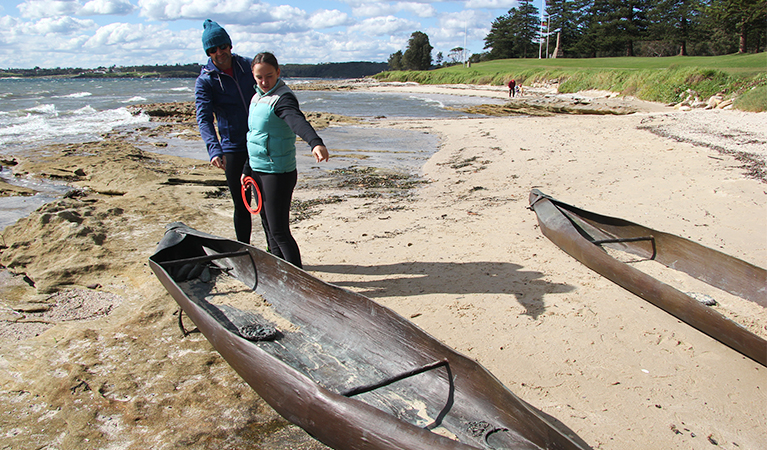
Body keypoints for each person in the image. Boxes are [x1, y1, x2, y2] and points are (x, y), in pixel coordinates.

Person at [243, 52, 329, 269]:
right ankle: (279, 270)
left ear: (278, 72)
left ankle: (299, 280)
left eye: (269, 76)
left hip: (277, 173)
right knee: (267, 226)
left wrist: (315, 142)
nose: (264, 82)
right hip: (257, 171)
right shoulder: (256, 98)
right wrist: (246, 169)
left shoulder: (283, 98)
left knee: (279, 231)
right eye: (259, 78)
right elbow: (253, 136)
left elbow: (296, 120)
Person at [195, 19, 256, 243]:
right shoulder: (205, 81)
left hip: (261, 142)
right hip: (233, 147)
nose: (219, 52)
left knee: (268, 201)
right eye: (212, 49)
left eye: (222, 46)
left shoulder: (248, 67)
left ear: (230, 45)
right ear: (208, 53)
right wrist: (214, 149)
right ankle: (244, 250)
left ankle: (275, 252)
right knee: (241, 205)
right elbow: (204, 119)